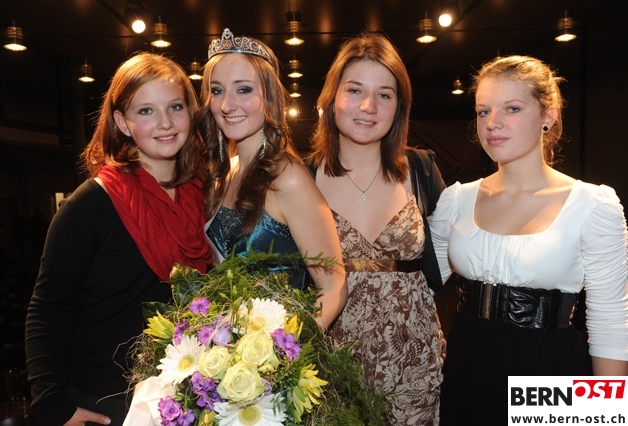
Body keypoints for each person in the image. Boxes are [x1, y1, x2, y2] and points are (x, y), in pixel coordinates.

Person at [430, 55, 628, 425]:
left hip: (548, 370)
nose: (492, 123)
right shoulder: (456, 200)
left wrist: (608, 414)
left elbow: (611, 321)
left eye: (512, 108)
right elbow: (419, 287)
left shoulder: (591, 205)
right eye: (483, 111)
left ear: (547, 116)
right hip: (467, 364)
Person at [25, 52, 213, 426]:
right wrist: (51, 406)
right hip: (104, 403)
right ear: (122, 123)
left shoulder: (204, 196)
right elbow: (48, 310)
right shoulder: (91, 203)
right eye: (146, 111)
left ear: (191, 114)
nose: (165, 122)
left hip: (181, 397)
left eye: (175, 107)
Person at [306, 32, 447, 425]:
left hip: (414, 366)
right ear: (332, 96)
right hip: (332, 366)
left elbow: (456, 254)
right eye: (355, 90)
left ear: (399, 106)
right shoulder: (303, 178)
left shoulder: (420, 170)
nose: (368, 106)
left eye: (384, 94)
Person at [199, 28, 346, 330]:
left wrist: (288, 348)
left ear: (269, 96)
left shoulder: (287, 177)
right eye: (217, 90)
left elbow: (334, 287)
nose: (226, 105)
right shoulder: (223, 175)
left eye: (243, 89)